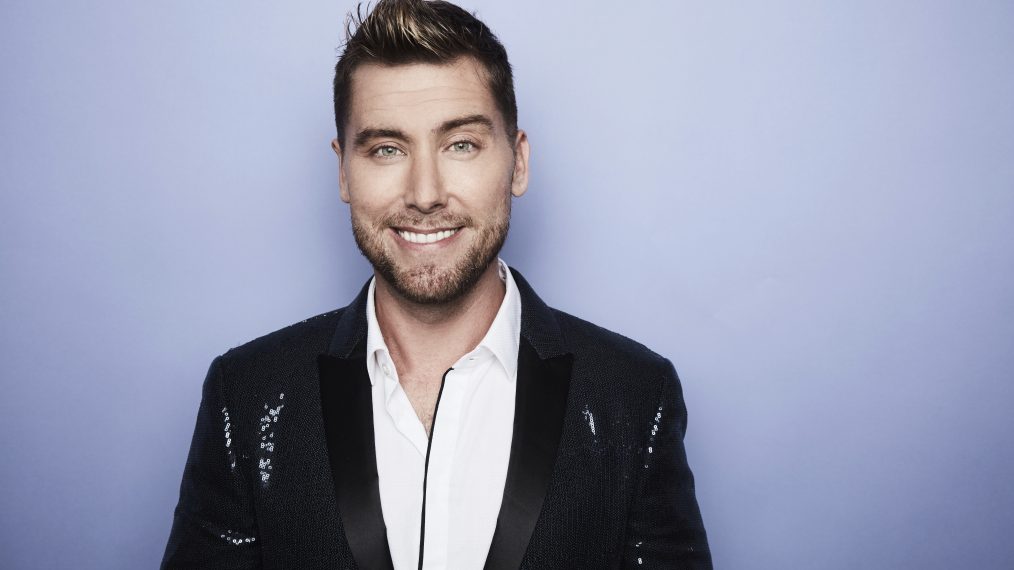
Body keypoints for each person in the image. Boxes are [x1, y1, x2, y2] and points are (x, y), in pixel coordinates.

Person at [161, 1, 711, 568]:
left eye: (461, 144)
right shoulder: (247, 396)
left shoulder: (634, 396)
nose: (425, 193)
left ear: (517, 162)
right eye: (386, 150)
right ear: (344, 171)